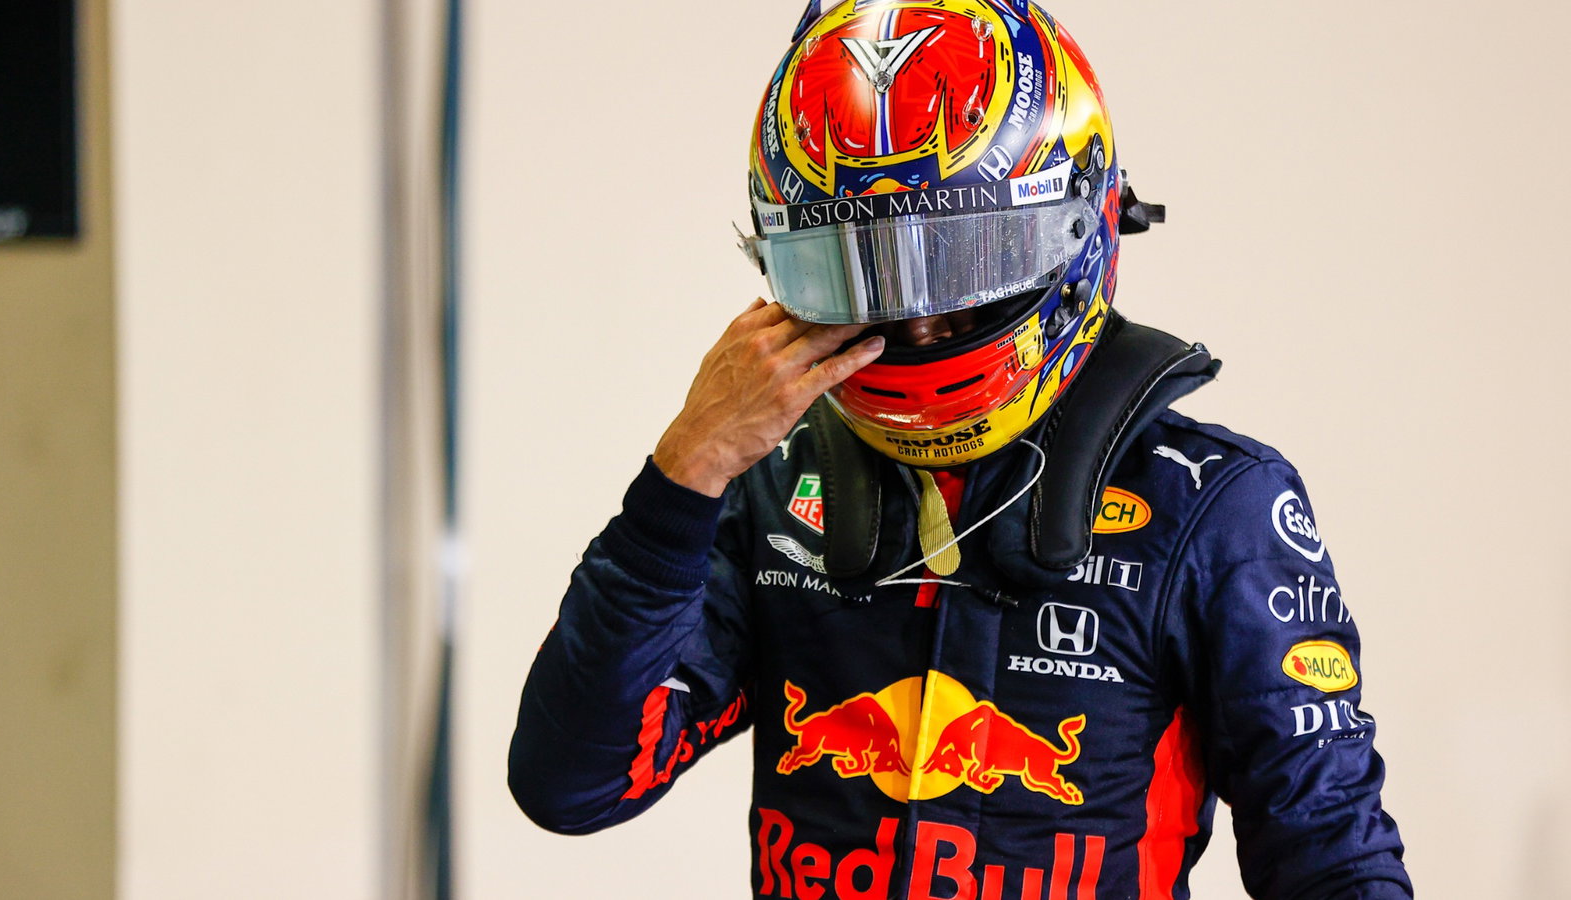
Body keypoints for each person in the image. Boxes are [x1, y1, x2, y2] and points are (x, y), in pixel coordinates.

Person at [509, 1, 1412, 897]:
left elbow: (1331, 860)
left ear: (1080, 220)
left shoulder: (1215, 505)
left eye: (964, 261)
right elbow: (572, 783)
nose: (920, 316)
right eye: (866, 269)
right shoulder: (773, 486)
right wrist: (686, 471)